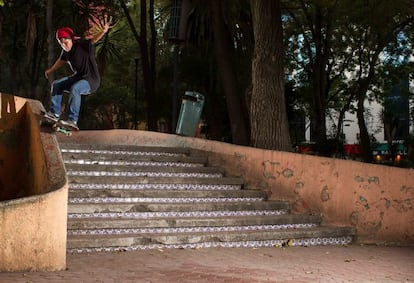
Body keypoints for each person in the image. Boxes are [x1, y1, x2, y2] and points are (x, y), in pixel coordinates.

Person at [44, 19, 111, 129]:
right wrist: (51, 70)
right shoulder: (65, 52)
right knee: (57, 85)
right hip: (79, 78)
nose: (64, 45)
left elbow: (93, 40)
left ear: (71, 39)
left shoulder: (81, 45)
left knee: (75, 88)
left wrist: (103, 32)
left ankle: (73, 120)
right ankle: (54, 114)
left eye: (65, 42)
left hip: (91, 80)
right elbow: (60, 62)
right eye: (61, 43)